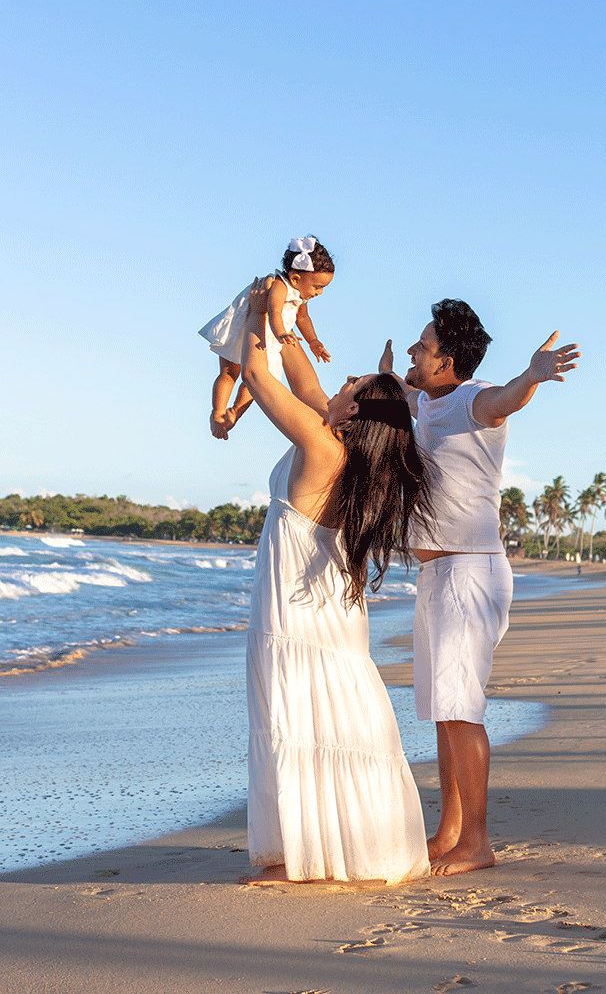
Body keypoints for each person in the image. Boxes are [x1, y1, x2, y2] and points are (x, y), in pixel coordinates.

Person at [240, 279, 432, 885]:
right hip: (326, 609)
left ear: (353, 410)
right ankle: (322, 850)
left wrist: (252, 312)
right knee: (329, 718)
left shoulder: (322, 446)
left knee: (295, 719)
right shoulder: (351, 457)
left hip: (295, 611)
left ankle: (306, 859)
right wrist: (287, 320)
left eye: (349, 385)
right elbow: (300, 380)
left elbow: (257, 377)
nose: (339, 383)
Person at [380, 299, 581, 876]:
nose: (416, 352)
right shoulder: (429, 401)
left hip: (470, 572)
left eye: (423, 347)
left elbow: (503, 402)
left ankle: (478, 840)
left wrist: (534, 375)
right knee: (444, 709)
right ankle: (449, 830)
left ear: (447, 361)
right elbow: (402, 388)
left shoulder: (473, 399)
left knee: (462, 708)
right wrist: (392, 372)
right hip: (438, 574)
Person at [199, 237, 334, 440]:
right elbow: (274, 309)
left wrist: (313, 341)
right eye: (317, 286)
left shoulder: (301, 294)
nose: (320, 292)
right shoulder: (279, 285)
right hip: (248, 327)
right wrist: (281, 332)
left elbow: (303, 317)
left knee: (259, 381)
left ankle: (235, 412)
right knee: (229, 373)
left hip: (267, 333)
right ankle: (217, 413)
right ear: (296, 278)